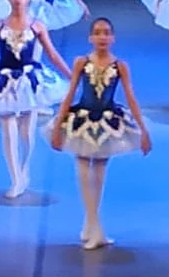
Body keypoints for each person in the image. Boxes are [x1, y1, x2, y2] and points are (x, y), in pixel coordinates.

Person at [47, 18, 153, 250]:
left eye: (106, 33)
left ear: (112, 38)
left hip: (107, 122)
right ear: (90, 38)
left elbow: (131, 98)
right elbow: (70, 94)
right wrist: (57, 128)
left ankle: (91, 226)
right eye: (97, 33)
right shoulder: (81, 62)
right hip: (82, 120)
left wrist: (143, 131)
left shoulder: (120, 66)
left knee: (99, 175)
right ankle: (95, 228)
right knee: (85, 172)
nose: (102, 37)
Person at [0, 0, 72, 199]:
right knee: (8, 130)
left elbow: (52, 55)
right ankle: (15, 179)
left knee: (26, 134)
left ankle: (24, 170)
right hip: (4, 82)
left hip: (30, 82)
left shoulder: (37, 26)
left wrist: (73, 75)